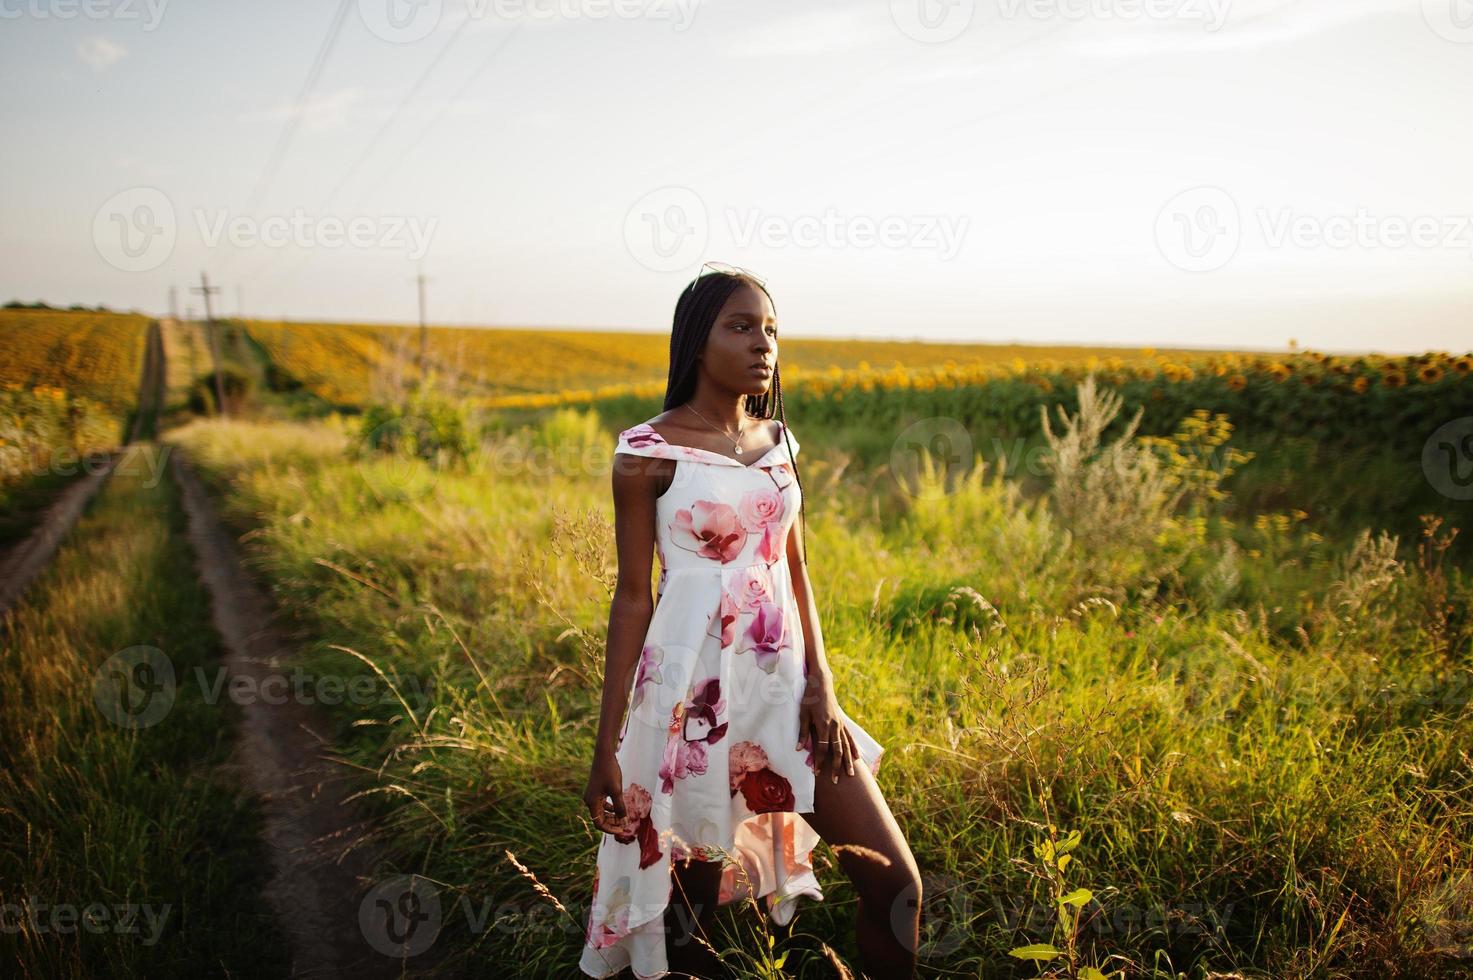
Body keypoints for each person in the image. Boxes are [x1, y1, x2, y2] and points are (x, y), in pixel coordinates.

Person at [578, 263, 922, 979]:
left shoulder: (781, 445)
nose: (762, 343)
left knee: (896, 885)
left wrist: (821, 683)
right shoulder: (647, 452)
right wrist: (606, 744)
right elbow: (632, 598)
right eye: (740, 326)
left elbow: (794, 571)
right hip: (687, 698)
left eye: (769, 328)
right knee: (692, 916)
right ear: (695, 343)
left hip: (785, 689)